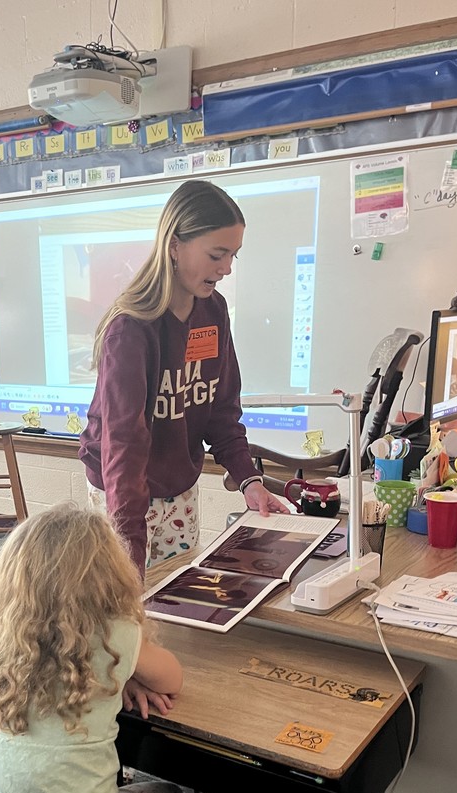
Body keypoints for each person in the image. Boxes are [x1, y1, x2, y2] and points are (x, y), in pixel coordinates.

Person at [0, 504, 190, 793]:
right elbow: (173, 678)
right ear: (108, 574)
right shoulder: (115, 634)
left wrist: (124, 676)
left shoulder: (2, 641)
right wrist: (128, 669)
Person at [78, 178, 288, 577]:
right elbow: (124, 445)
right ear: (174, 245)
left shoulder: (212, 311)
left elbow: (220, 409)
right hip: (119, 488)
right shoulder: (131, 330)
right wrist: (129, 553)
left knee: (174, 599)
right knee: (122, 599)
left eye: (233, 256)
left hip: (177, 487)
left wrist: (248, 479)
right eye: (216, 255)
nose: (226, 268)